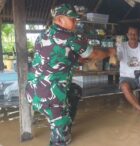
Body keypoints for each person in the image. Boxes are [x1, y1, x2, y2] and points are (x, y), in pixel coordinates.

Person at [25, 4, 115, 146]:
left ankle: (65, 123)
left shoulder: (42, 35)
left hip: (32, 92)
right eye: (73, 19)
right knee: (61, 142)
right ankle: (61, 128)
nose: (76, 22)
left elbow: (62, 55)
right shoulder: (69, 37)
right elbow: (96, 54)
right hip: (50, 96)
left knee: (75, 91)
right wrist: (109, 52)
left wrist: (81, 59)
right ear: (60, 20)